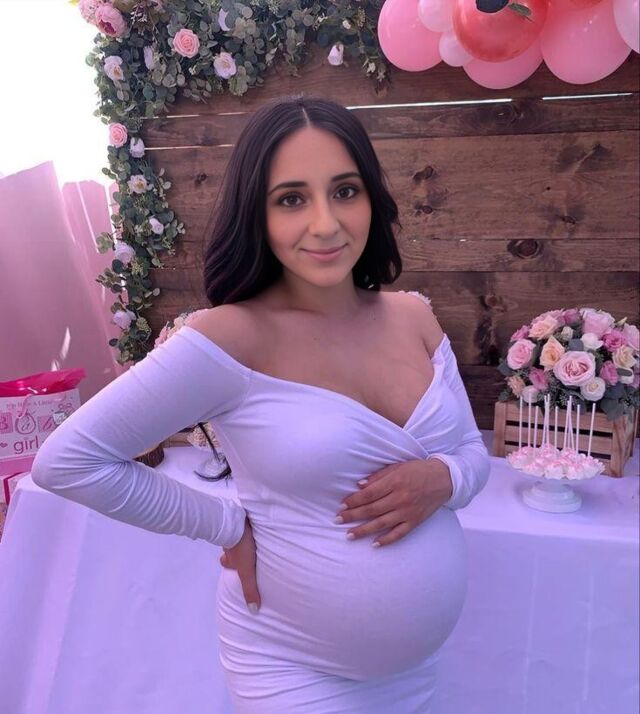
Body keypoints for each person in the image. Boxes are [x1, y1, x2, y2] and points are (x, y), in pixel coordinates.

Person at [31, 95, 490, 713]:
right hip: (291, 668)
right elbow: (68, 460)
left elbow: (469, 453)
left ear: (372, 198)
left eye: (345, 191)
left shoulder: (414, 317)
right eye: (291, 199)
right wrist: (224, 525)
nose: (325, 223)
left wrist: (443, 478)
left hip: (414, 675)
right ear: (257, 213)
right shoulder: (230, 337)